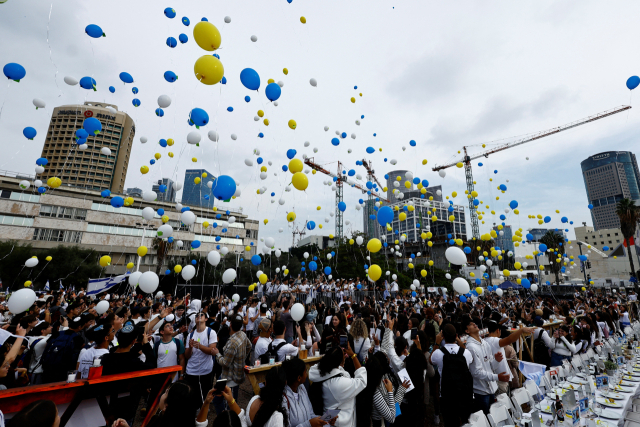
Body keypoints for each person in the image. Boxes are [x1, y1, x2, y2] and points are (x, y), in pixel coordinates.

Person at [308, 345, 367, 427]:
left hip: (329, 417)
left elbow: (339, 369)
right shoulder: (338, 383)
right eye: (344, 355)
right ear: (339, 362)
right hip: (340, 423)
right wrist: (353, 355)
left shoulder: (319, 371)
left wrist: (338, 355)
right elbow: (362, 381)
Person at [462, 317, 512, 414]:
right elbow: (476, 372)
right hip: (481, 391)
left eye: (474, 323)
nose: (474, 324)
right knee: (486, 419)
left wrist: (496, 361)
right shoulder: (471, 347)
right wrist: (497, 377)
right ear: (467, 331)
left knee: (494, 416)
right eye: (470, 324)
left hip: (492, 389)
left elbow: (490, 366)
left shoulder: (484, 343)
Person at [430, 324, 473, 427]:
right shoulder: (465, 353)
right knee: (465, 423)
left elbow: (431, 360)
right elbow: (470, 357)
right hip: (464, 395)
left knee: (449, 423)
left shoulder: (439, 353)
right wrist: (458, 340)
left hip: (447, 396)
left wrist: (437, 342)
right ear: (456, 336)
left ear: (443, 336)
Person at [212, 314, 252, 418]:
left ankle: (226, 421)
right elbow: (249, 346)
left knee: (228, 404)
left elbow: (225, 363)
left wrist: (217, 353)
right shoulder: (243, 334)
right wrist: (241, 359)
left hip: (230, 378)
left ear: (230, 324)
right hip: (235, 374)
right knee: (226, 400)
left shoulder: (232, 343)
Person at [282, 358, 336, 427]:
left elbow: (311, 415)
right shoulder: (283, 398)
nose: (306, 374)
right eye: (305, 372)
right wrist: (309, 424)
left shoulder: (302, 388)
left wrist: (325, 420)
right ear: (299, 378)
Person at [185, 312, 218, 410]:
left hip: (206, 371)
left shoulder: (211, 332)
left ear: (206, 319)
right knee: (191, 397)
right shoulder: (190, 335)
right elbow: (187, 356)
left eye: (201, 315)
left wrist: (199, 346)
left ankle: (202, 417)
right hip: (191, 371)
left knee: (204, 395)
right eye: (196, 316)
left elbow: (212, 351)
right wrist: (190, 348)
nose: (198, 316)